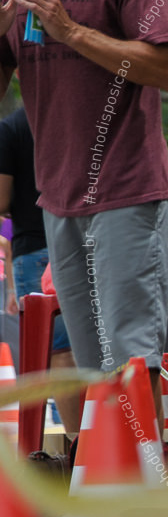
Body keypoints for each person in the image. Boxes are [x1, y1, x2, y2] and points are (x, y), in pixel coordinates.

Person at [0, 0, 168, 458]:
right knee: (89, 366)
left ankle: (148, 505)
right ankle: (112, 501)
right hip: (56, 199)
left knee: (130, 358)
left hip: (127, 189)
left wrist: (69, 28)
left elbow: (167, 69)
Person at [0, 107, 77, 438]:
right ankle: (112, 439)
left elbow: (1, 200)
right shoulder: (80, 114)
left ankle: (79, 447)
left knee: (59, 354)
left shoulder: (12, 128)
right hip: (86, 243)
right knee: (95, 346)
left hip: (34, 248)